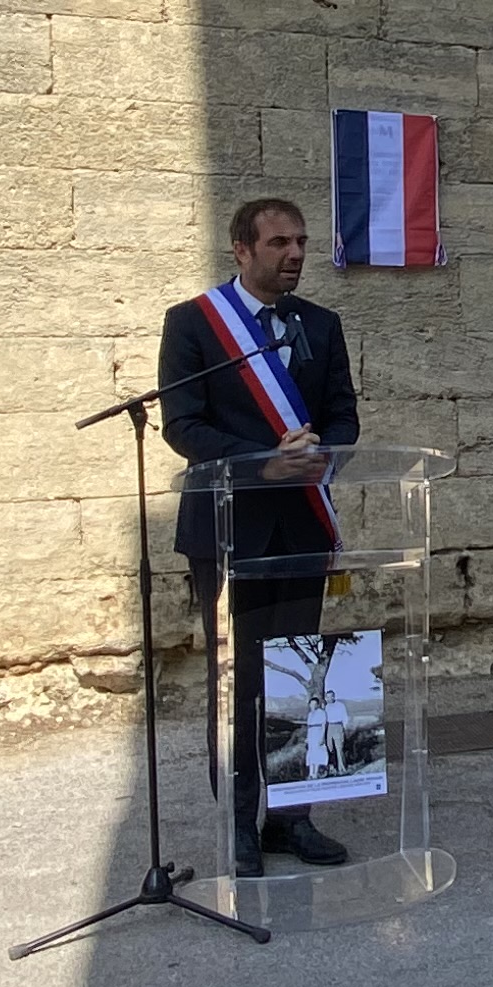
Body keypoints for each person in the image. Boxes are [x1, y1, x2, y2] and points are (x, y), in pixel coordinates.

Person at [161, 196, 361, 876]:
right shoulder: (193, 325)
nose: (295, 254)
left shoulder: (321, 325)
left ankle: (291, 819)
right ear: (242, 251)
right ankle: (239, 821)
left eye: (301, 241)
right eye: (279, 243)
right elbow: (183, 425)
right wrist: (261, 462)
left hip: (302, 520)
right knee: (242, 678)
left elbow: (343, 414)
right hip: (229, 526)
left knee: (300, 672)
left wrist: (321, 454)